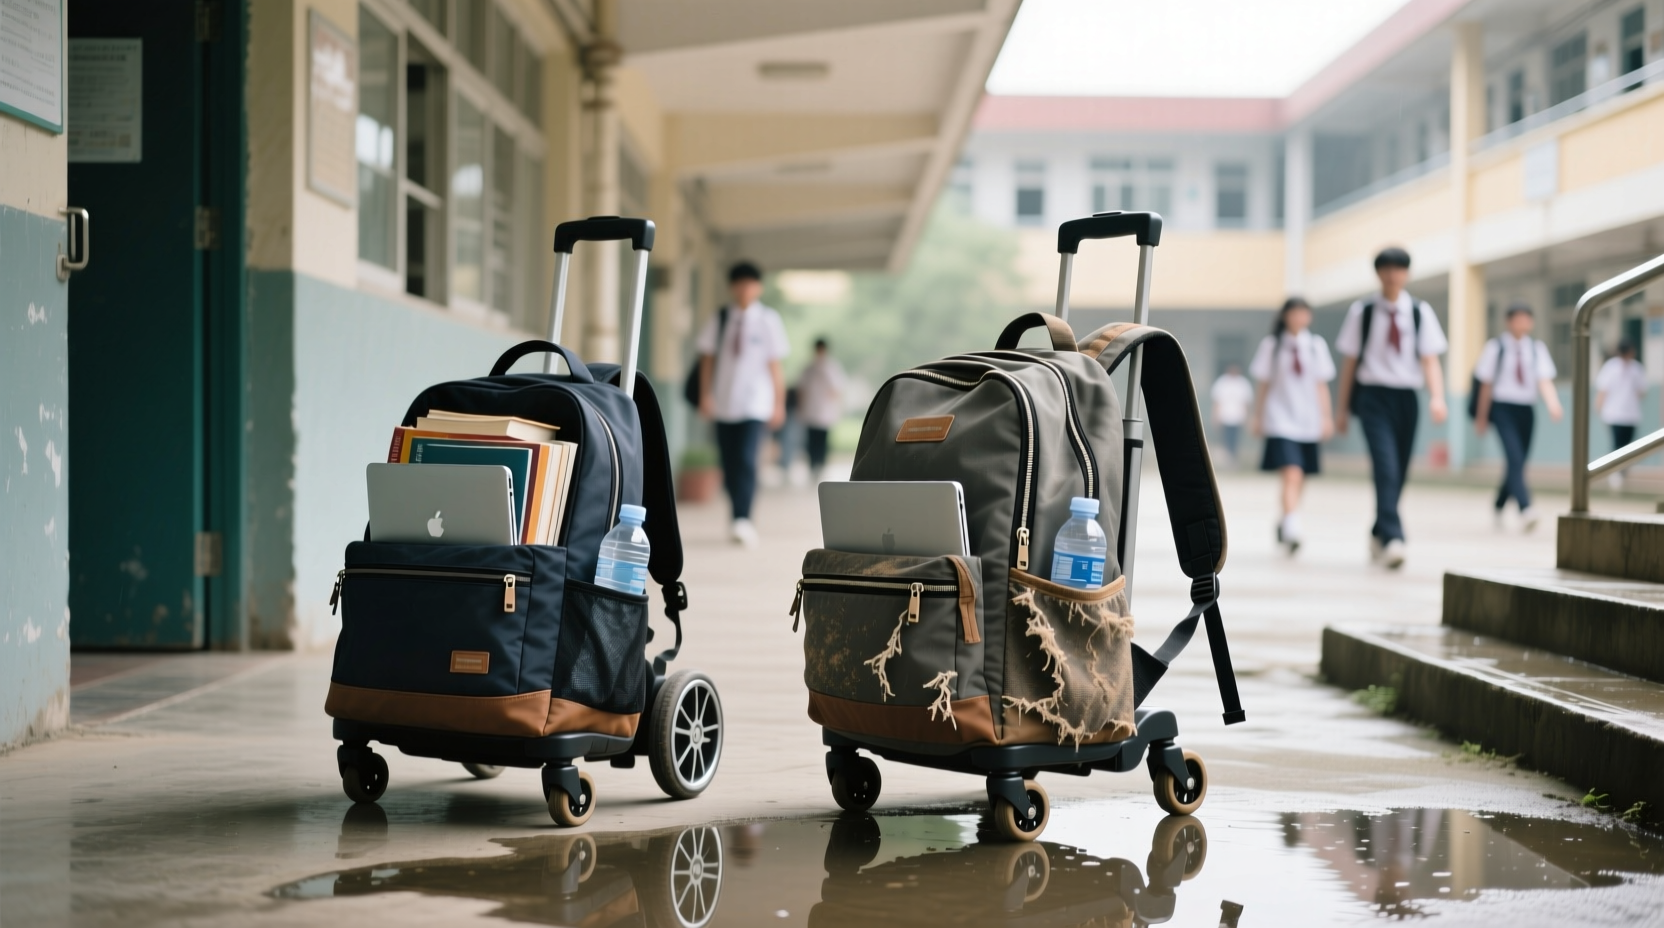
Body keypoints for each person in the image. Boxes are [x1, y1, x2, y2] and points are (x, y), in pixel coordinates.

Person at [1334, 247, 1449, 570]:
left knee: (1399, 470)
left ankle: (1378, 529)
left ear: (1407, 274)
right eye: (1387, 268)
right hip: (1372, 397)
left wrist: (1438, 397)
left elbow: (1430, 359)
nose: (1393, 275)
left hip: (1407, 398)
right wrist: (1341, 409)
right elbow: (1350, 362)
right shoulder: (1363, 312)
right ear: (1378, 273)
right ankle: (1394, 538)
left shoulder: (1419, 311)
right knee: (1385, 465)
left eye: (1399, 269)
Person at [696, 261, 789, 546]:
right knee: (730, 463)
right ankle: (736, 514)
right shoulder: (721, 318)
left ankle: (743, 519)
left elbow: (775, 366)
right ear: (732, 286)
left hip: (756, 405)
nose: (745, 289)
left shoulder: (768, 320)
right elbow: (707, 360)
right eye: (740, 283)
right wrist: (705, 395)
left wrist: (778, 403)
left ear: (758, 287)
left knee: (748, 461)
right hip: (725, 404)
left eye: (751, 283)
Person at [1249, 298, 1335, 555]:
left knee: (1301, 476)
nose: (1298, 317)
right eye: (1293, 312)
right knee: (1291, 473)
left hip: (1308, 421)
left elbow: (1322, 384)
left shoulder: (1316, 346)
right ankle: (1293, 526)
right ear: (1285, 316)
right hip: (1280, 419)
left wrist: (1326, 417)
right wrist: (1258, 416)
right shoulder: (1272, 346)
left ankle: (1286, 519)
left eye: (1303, 313)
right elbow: (1263, 384)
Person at [1473, 302, 1561, 531]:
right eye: (1518, 318)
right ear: (1508, 321)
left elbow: (1544, 380)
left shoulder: (1536, 348)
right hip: (1502, 409)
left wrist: (1553, 404)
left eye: (1526, 318)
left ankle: (1499, 503)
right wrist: (1481, 417)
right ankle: (1526, 507)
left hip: (1526, 410)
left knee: (1518, 462)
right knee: (1514, 458)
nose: (1523, 322)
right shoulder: (1496, 347)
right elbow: (1486, 385)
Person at [1595, 339, 1648, 491]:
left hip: (1631, 415)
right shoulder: (1611, 367)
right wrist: (1599, 406)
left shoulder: (1637, 369)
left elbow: (1642, 391)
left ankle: (1622, 472)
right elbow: (1602, 390)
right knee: (1617, 444)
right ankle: (1615, 472)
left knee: (1628, 445)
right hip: (1613, 414)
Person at [795, 338, 847, 484]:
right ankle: (812, 466)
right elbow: (801, 390)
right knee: (811, 441)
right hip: (810, 412)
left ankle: (820, 466)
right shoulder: (808, 368)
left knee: (822, 442)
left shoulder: (832, 367)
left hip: (825, 413)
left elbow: (837, 390)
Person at [1210, 363, 1254, 467]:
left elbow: (1246, 403)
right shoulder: (1222, 382)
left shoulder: (1243, 383)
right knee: (1226, 439)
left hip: (1238, 417)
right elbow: (1217, 401)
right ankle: (1228, 460)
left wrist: (1248, 418)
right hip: (1225, 417)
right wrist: (1215, 417)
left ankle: (1234, 459)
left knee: (1235, 440)